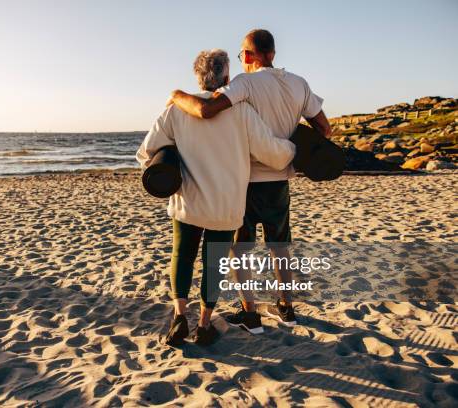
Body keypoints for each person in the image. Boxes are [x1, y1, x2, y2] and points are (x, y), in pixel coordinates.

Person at [168, 29, 331, 331]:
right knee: (279, 245)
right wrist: (297, 150)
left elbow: (207, 110)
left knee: (239, 248)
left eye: (242, 53)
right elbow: (324, 128)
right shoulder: (298, 83)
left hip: (245, 180)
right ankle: (286, 306)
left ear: (251, 54)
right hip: (280, 179)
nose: (241, 58)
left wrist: (177, 97)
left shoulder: (244, 83)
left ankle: (249, 311)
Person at [136, 49, 296, 346]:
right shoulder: (242, 111)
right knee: (214, 263)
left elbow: (146, 153)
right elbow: (270, 152)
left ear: (198, 78)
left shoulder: (176, 110)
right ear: (225, 77)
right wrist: (293, 149)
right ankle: (204, 323)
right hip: (225, 205)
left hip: (189, 201)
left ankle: (179, 316)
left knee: (182, 256)